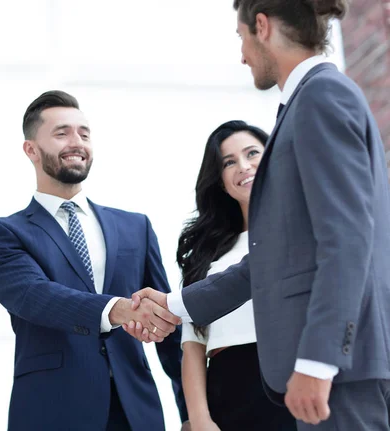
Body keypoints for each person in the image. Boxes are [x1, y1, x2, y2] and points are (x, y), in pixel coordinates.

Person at [128, 1, 390, 430]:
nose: (242, 54)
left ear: (262, 27)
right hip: (333, 374)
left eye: (241, 36)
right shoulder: (308, 102)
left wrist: (319, 360)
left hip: (342, 371)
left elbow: (348, 240)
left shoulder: (321, 96)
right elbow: (270, 261)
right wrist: (175, 305)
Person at [0, 90, 188, 431]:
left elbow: (168, 326)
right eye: (62, 133)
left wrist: (190, 412)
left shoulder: (136, 227)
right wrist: (117, 309)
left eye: (84, 133)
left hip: (136, 411)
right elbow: (36, 297)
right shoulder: (3, 234)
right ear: (31, 149)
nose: (77, 142)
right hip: (52, 412)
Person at [175, 121, 295, 430]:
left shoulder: (303, 232)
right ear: (220, 181)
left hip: (295, 385)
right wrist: (200, 419)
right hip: (228, 393)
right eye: (229, 162)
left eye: (252, 153)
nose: (243, 166)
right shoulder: (206, 252)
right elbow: (193, 344)